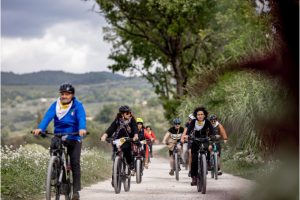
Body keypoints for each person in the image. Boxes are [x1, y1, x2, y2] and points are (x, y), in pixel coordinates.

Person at [33, 83, 87, 200]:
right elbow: (47, 116)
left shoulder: (77, 105)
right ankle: (55, 168)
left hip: (74, 136)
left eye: (67, 94)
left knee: (75, 162)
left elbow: (81, 117)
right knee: (54, 146)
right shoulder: (56, 105)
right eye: (62, 94)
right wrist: (40, 128)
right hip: (59, 134)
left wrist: (82, 128)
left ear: (72, 95)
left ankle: (76, 190)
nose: (64, 96)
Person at [100, 105, 139, 175]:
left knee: (127, 151)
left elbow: (135, 127)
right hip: (118, 139)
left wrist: (135, 135)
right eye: (127, 113)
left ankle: (131, 165)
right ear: (122, 114)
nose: (129, 114)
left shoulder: (132, 119)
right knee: (115, 152)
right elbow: (111, 128)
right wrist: (104, 135)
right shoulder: (117, 120)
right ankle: (115, 175)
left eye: (130, 113)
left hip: (128, 139)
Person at [187, 107, 214, 186]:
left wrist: (213, 136)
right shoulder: (193, 122)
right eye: (198, 114)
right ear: (196, 115)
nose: (200, 116)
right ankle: (194, 177)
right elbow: (188, 130)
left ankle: (208, 163)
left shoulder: (207, 122)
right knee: (194, 160)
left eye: (202, 114)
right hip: (195, 140)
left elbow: (211, 130)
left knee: (209, 148)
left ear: (205, 115)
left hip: (205, 140)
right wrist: (187, 136)